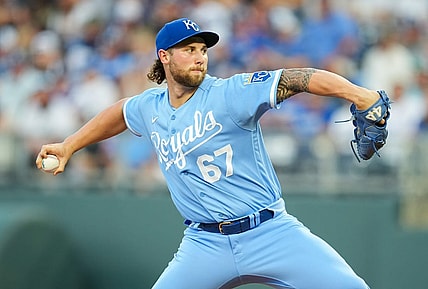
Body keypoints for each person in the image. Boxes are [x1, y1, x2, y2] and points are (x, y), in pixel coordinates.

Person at [36, 18, 387, 289]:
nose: (199, 57)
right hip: (204, 243)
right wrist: (70, 145)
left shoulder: (230, 93)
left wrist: (358, 94)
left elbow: (299, 78)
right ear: (165, 56)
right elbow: (118, 114)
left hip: (270, 231)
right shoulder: (151, 106)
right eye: (188, 49)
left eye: (202, 50)